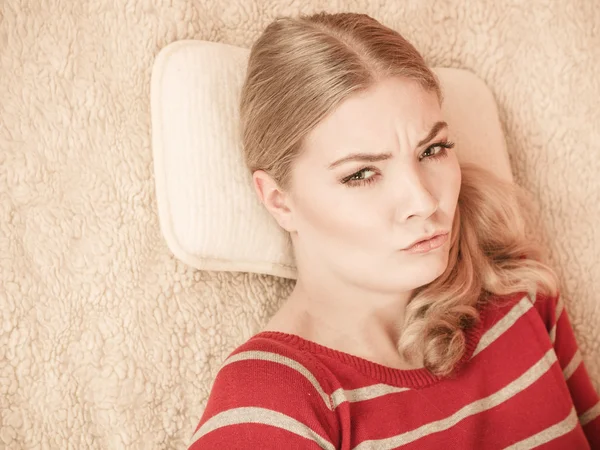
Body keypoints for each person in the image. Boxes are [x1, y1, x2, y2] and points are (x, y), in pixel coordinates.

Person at [188, 11, 600, 449]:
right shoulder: (273, 401)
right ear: (278, 199)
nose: (424, 202)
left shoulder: (519, 295)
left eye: (433, 150)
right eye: (362, 174)